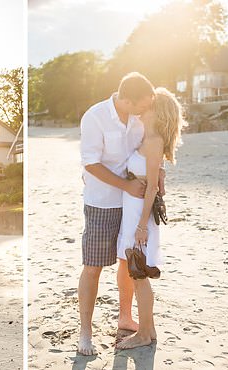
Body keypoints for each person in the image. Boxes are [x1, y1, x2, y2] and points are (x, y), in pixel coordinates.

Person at [76, 72, 158, 355]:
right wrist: (126, 184)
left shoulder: (140, 118)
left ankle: (125, 316)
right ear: (125, 99)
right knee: (93, 267)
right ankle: (85, 333)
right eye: (141, 104)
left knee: (128, 264)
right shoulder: (95, 116)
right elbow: (90, 163)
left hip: (132, 204)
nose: (145, 109)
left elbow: (151, 152)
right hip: (102, 203)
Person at [115, 87, 185, 349]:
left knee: (139, 273)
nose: (143, 109)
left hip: (140, 217)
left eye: (150, 106)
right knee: (137, 270)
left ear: (159, 113)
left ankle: (143, 335)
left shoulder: (154, 141)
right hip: (133, 212)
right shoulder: (146, 137)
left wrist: (142, 225)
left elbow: (153, 186)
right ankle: (149, 329)